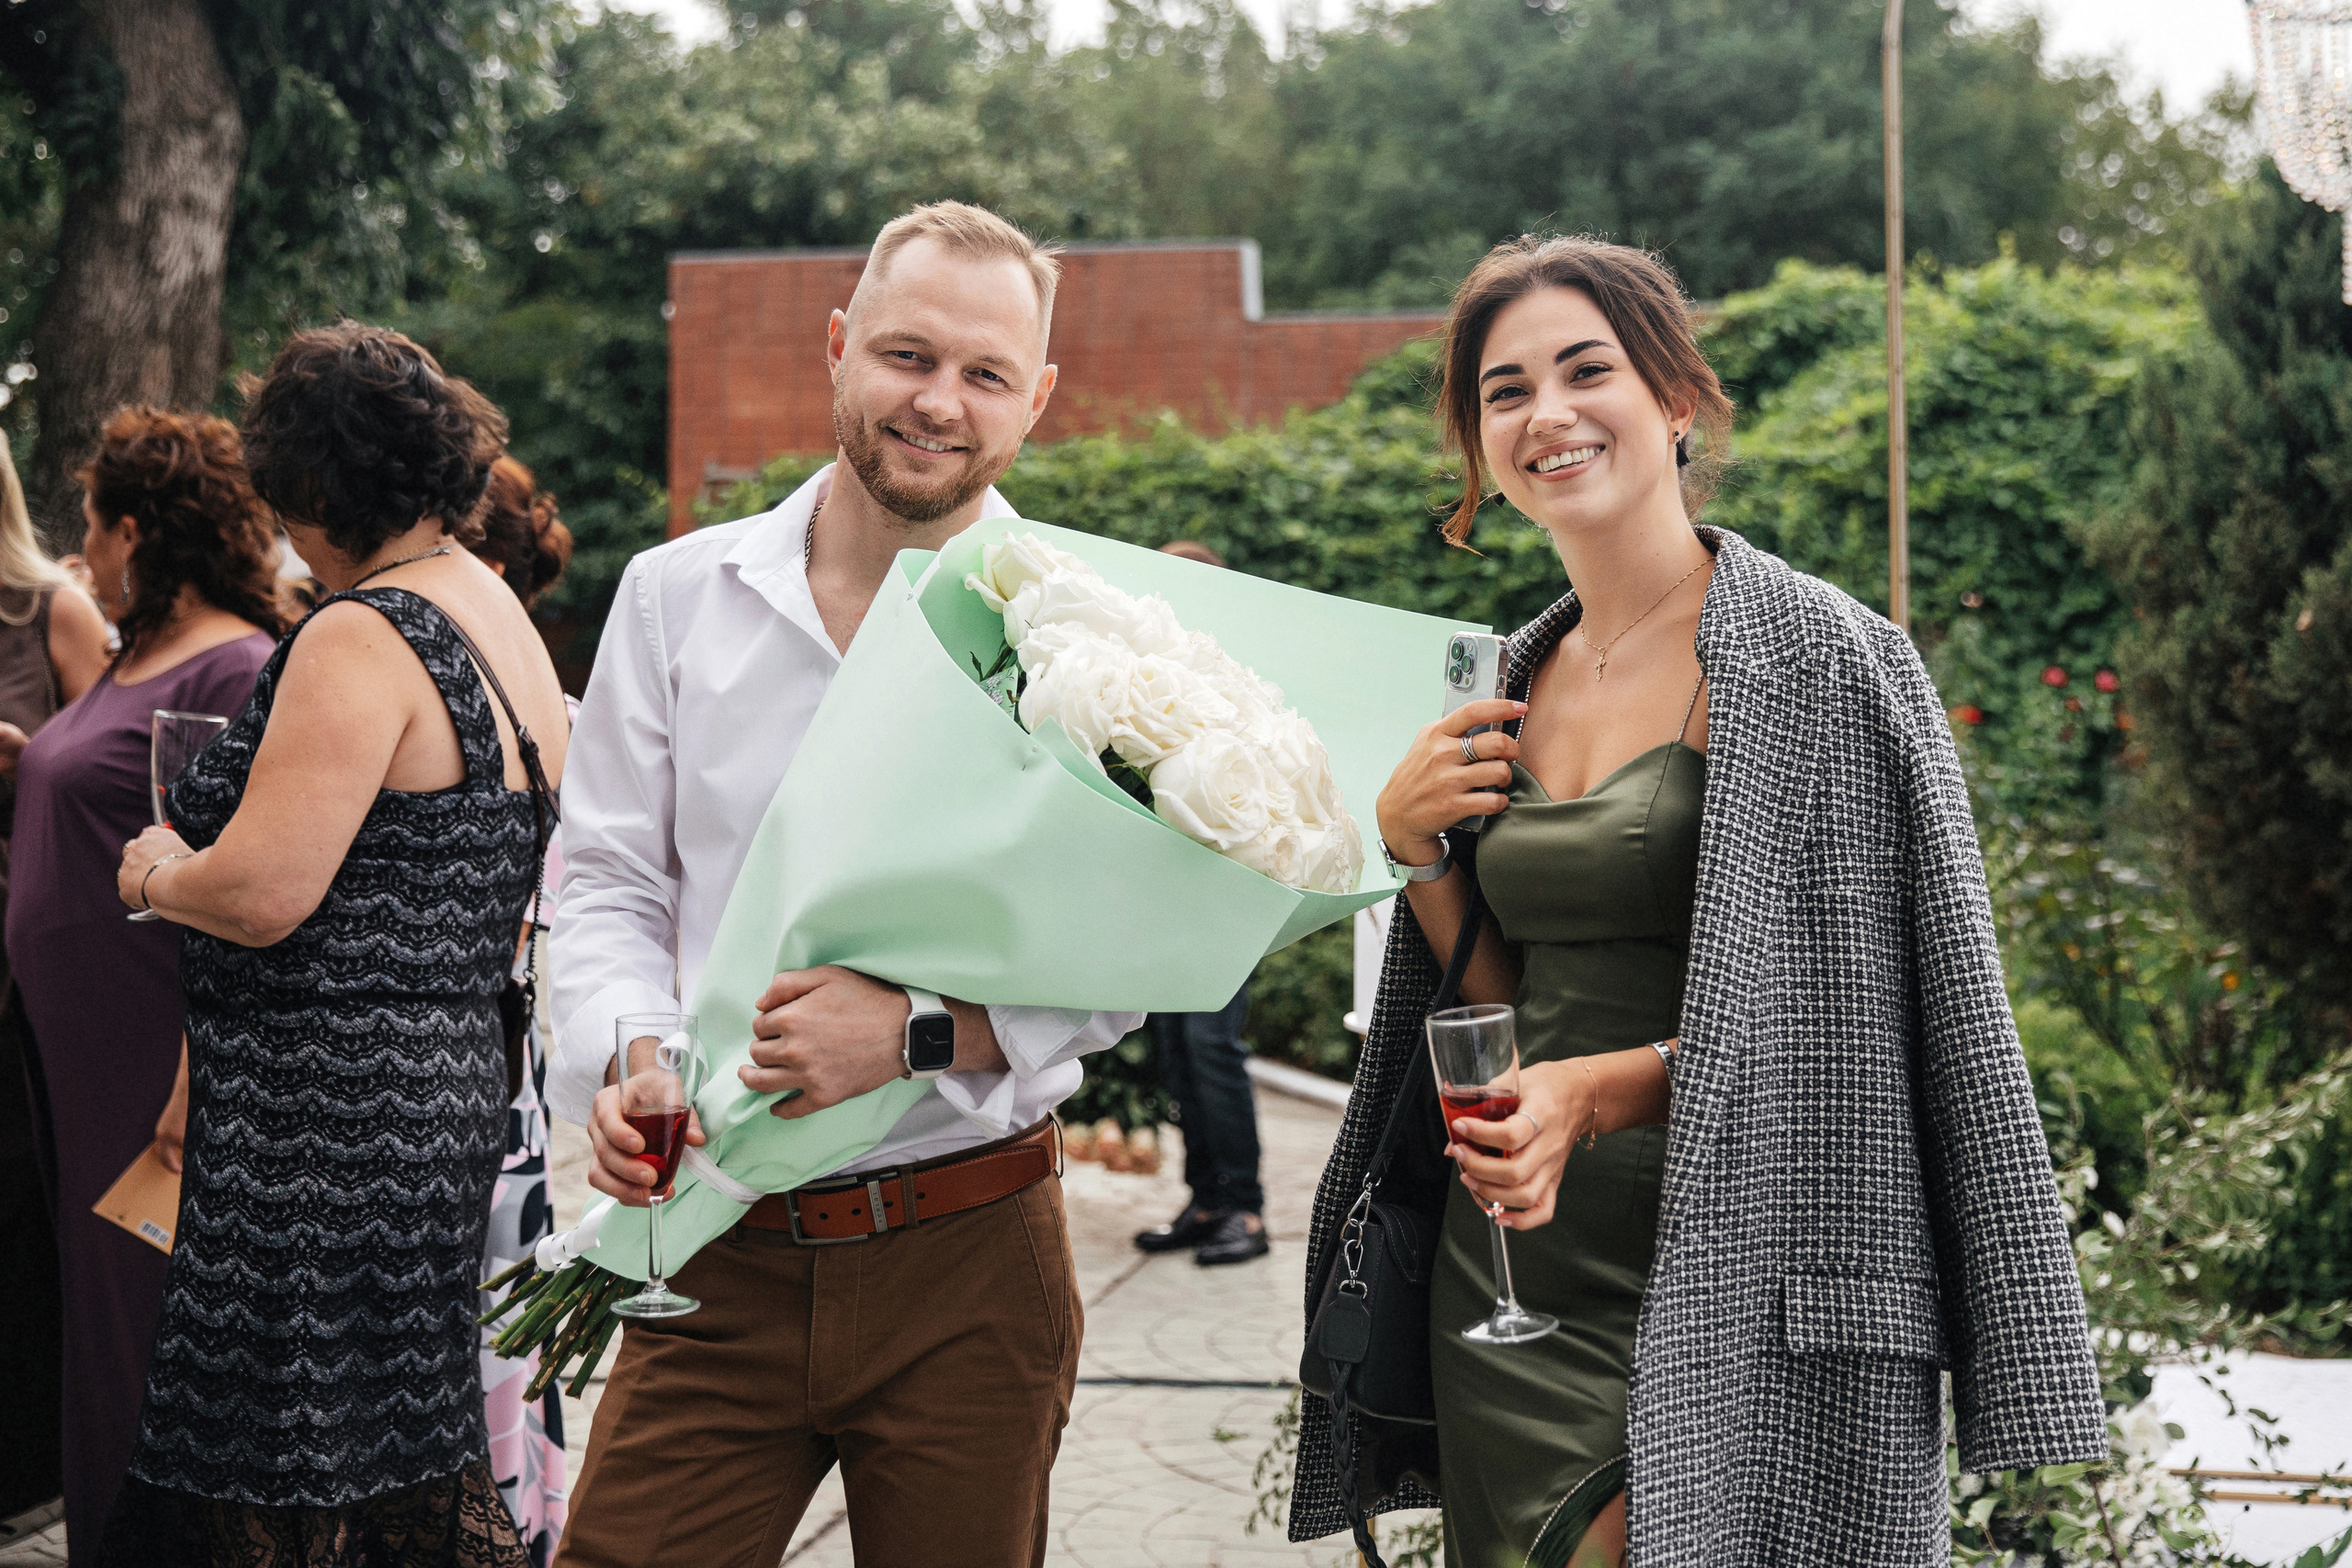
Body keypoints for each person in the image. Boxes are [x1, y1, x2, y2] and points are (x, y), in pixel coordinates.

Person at [1290, 236, 2103, 1567]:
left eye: (1584, 369)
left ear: (1674, 398)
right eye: (1504, 391)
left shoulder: (1825, 655)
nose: (1545, 413)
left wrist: (1597, 1090)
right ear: (1479, 446)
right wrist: (1414, 851)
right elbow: (1496, 1003)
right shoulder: (1502, 675)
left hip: (1745, 1268)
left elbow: (1896, 1018)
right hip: (1513, 1282)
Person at [549, 200, 1137, 1567]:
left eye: (986, 373)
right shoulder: (671, 597)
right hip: (713, 1238)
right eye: (906, 354)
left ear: (1036, 399)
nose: (939, 401)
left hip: (973, 1251)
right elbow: (615, 885)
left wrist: (921, 1027)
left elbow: (1131, 959)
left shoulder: (1092, 646)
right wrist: (633, 1052)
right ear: (837, 346)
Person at [104, 324, 567, 1568]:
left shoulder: (366, 631)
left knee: (277, 1468)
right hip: (439, 1096)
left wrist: (157, 871)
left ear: (315, 488)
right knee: (394, 1452)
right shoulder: (496, 612)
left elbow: (262, 891)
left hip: (321, 1124)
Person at [6, 408, 280, 1563]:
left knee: (155, 1339)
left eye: (91, 525)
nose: (82, 548)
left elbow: (244, 884)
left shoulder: (235, 662)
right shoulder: (130, 655)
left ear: (133, 530)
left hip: (153, 1059)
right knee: (100, 1336)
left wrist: (192, 1072)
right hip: (74, 1058)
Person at [465, 454, 576, 1562]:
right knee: (503, 1323)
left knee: (490, 1322)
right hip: (513, 1079)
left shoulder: (510, 699)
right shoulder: (548, 692)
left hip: (487, 1068)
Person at [0, 435, 113, 1523]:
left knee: (16, 1199)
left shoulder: (48, 611)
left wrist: (21, 754)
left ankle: (24, 1466)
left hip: (17, 952)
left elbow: (104, 772)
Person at [1129, 537, 1268, 1268]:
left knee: (1213, 1045)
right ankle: (1206, 1197)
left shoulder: (1237, 684)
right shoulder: (1151, 678)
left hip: (1224, 891)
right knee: (1179, 1047)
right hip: (1168, 891)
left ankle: (1244, 1209)